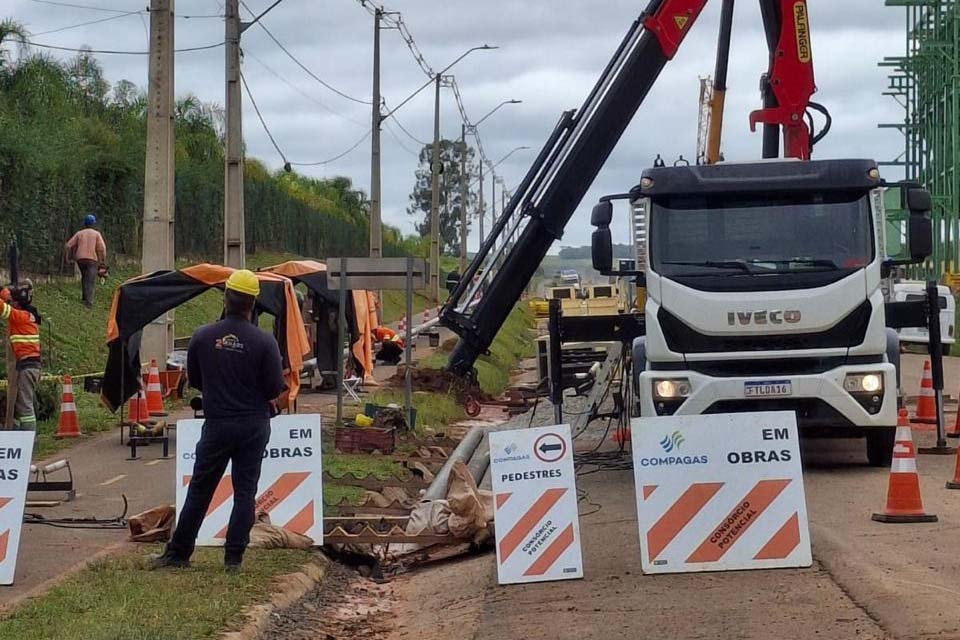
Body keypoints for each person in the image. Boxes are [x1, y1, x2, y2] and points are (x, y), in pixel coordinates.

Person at [151, 270, 286, 572]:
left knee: (200, 488)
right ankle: (233, 558)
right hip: (253, 425)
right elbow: (274, 389)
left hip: (217, 424)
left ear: (226, 297)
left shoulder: (203, 336)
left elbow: (196, 380)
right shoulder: (265, 342)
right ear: (253, 303)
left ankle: (178, 554)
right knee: (245, 491)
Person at [0, 281, 41, 430]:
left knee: (25, 407)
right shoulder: (29, 315)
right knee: (22, 404)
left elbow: (3, 308)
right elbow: (8, 303)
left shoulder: (19, 316)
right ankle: (18, 436)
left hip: (26, 367)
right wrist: (4, 292)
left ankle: (28, 441)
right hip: (31, 366)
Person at [65, 214, 107, 308]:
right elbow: (102, 248)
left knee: (85, 277)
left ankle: (84, 298)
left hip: (80, 259)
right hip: (92, 259)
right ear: (93, 224)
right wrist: (103, 260)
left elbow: (68, 245)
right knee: (90, 280)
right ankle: (89, 302)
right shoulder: (96, 234)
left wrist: (67, 258)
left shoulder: (79, 233)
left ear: (84, 223)